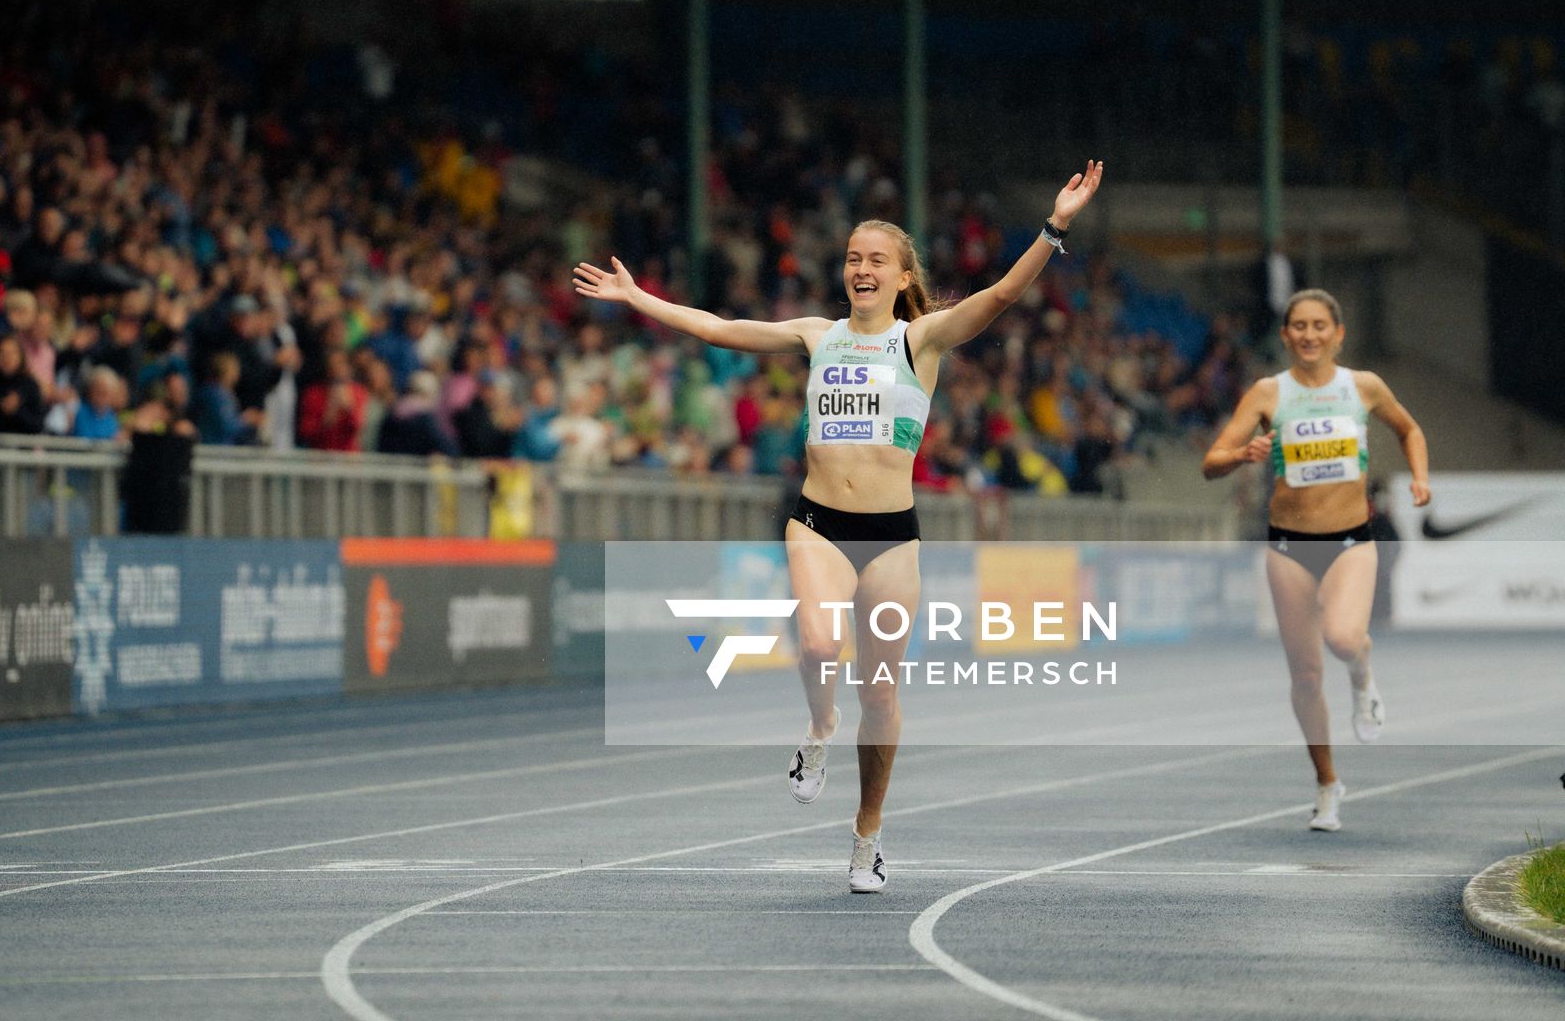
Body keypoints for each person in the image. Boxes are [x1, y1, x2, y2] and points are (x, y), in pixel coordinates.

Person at [576, 160, 1104, 892]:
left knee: (882, 697)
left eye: (876, 260)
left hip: (892, 535)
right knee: (821, 643)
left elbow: (1005, 293)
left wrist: (1055, 226)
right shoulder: (814, 334)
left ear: (900, 274)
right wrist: (639, 298)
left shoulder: (921, 342)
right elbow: (722, 329)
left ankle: (867, 836)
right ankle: (818, 729)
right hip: (818, 522)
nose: (861, 268)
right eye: (853, 258)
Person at [1201, 288, 1430, 832]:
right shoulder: (1267, 394)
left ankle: (1362, 673)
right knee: (1304, 675)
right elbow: (1211, 463)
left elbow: (1409, 429)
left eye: (1319, 325)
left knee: (1345, 639)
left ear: (1338, 333)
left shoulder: (1363, 386)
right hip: (1288, 544)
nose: (1309, 334)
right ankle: (1328, 784)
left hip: (1351, 538)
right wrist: (1241, 455)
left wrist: (1419, 475)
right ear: (1285, 335)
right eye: (1298, 326)